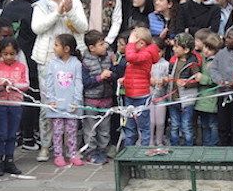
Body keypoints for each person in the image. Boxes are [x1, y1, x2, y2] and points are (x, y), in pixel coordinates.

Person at [31, 0, 88, 162]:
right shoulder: (40, 5)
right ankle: (46, 145)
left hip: (70, 58)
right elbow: (37, 28)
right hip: (47, 58)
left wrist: (69, 11)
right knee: (48, 102)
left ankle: (69, 146)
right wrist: (57, 12)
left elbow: (83, 27)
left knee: (72, 100)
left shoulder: (75, 3)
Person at [0, 0, 39, 150]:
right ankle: (29, 136)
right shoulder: (33, 9)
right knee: (30, 96)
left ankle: (13, 134)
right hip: (30, 57)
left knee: (10, 95)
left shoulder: (8, 8)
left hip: (9, 57)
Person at [81, 30, 122, 165]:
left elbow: (115, 75)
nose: (105, 46)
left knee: (105, 129)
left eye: (104, 43)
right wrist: (100, 77)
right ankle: (91, 152)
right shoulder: (85, 61)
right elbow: (85, 82)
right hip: (91, 101)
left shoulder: (109, 57)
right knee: (91, 129)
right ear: (91, 48)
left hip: (106, 100)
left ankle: (103, 150)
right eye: (101, 44)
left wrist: (112, 70)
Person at [0, 37, 29, 176]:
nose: (8, 57)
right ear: (0, 53)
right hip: (0, 104)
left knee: (12, 134)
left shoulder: (22, 67)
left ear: (17, 53)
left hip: (16, 104)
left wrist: (13, 84)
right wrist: (1, 85)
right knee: (1, 134)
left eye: (12, 54)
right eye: (5, 54)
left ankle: (9, 160)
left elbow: (26, 84)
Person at [44, 33, 84, 167]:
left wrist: (77, 101)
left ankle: (72, 154)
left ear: (66, 49)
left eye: (56, 45)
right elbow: (49, 83)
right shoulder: (52, 63)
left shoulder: (76, 63)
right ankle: (58, 155)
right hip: (56, 105)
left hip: (71, 105)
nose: (54, 48)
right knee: (57, 131)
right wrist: (50, 99)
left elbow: (78, 83)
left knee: (72, 131)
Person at [122, 26, 160, 146]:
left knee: (143, 127)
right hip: (130, 94)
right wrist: (125, 80)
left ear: (142, 43)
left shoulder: (146, 54)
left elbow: (131, 58)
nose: (131, 45)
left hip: (141, 96)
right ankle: (129, 150)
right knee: (129, 126)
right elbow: (135, 71)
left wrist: (130, 44)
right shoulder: (139, 53)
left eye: (134, 41)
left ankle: (143, 151)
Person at [193, 33, 222, 146]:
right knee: (204, 124)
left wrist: (203, 78)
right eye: (205, 47)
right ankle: (205, 144)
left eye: (210, 49)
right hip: (202, 98)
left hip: (212, 99)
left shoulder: (216, 62)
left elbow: (217, 80)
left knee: (212, 124)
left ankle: (213, 145)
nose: (206, 51)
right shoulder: (202, 59)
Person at [149, 38, 170, 146]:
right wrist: (150, 80)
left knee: (160, 122)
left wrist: (165, 80)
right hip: (149, 97)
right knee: (151, 122)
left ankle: (159, 141)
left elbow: (169, 78)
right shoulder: (146, 62)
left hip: (161, 97)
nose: (156, 54)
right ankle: (150, 141)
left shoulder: (166, 64)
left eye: (159, 51)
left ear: (163, 51)